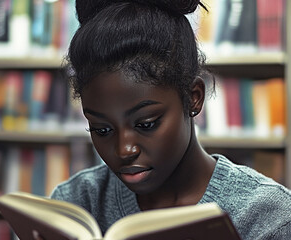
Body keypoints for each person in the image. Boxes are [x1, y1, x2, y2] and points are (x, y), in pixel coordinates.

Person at [51, 0, 291, 239]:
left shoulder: (268, 216)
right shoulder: (76, 202)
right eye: (102, 130)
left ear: (193, 97)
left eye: (146, 124)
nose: (125, 150)